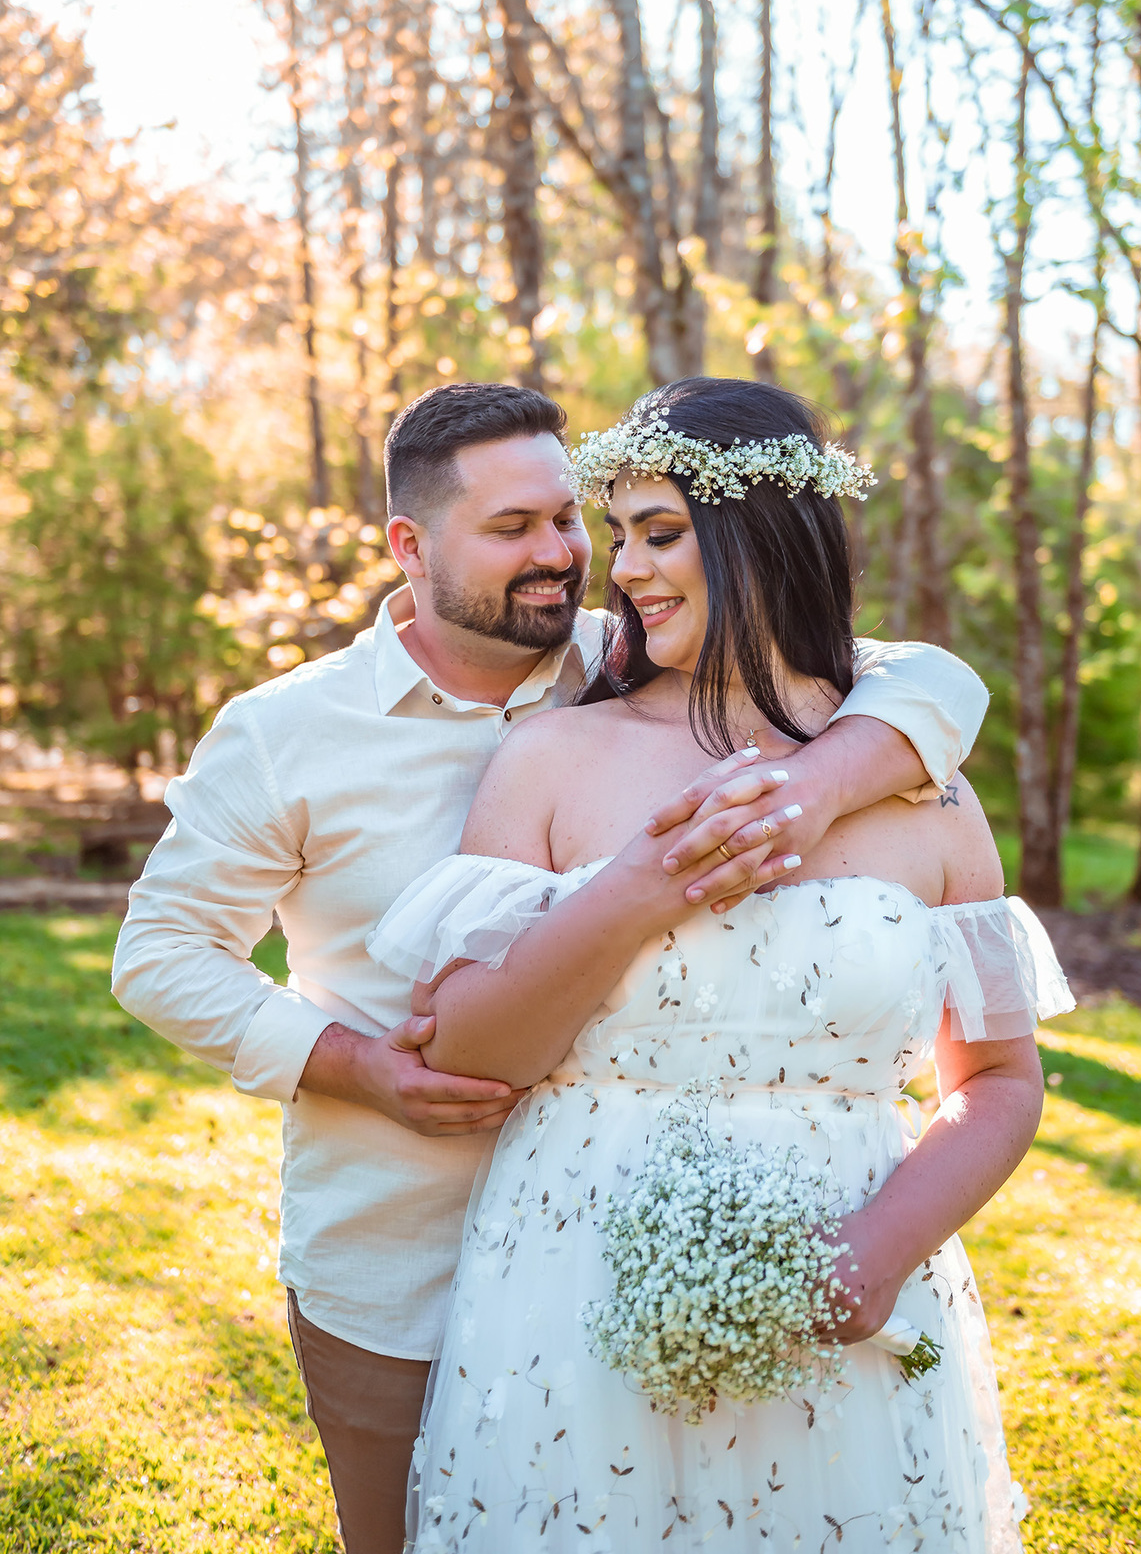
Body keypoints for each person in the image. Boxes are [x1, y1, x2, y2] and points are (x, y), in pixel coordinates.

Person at [112, 380, 991, 1554]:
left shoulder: (623, 657)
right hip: (405, 1241)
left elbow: (925, 682)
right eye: (516, 529)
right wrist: (357, 1065)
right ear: (410, 547)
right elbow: (160, 952)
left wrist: (812, 790)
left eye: (573, 521)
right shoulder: (289, 731)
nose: (573, 556)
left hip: (749, 1247)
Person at [368, 378, 1072, 1553]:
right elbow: (472, 1049)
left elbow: (999, 1078)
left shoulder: (923, 782)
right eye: (619, 536)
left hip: (841, 1294)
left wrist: (882, 1246)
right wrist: (639, 886)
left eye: (661, 534)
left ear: (759, 536)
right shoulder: (553, 756)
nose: (624, 571)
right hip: (572, 1275)